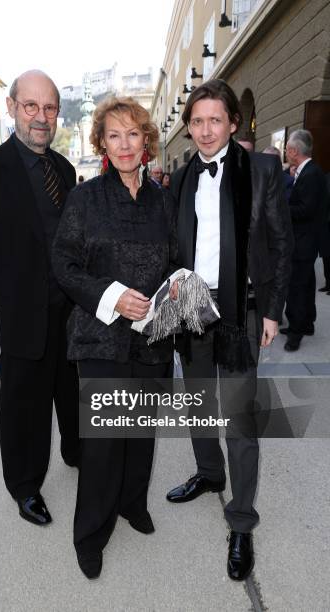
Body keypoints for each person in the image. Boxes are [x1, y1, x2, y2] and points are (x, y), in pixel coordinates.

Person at [166, 79, 293, 581]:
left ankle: (240, 520)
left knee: (239, 419)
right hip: (193, 308)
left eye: (214, 120)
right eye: (196, 121)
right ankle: (208, 473)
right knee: (198, 404)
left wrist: (272, 311)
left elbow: (281, 245)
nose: (204, 130)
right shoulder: (179, 177)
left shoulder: (261, 170)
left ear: (233, 123)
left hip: (241, 311)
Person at [52, 96, 177, 579]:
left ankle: (132, 504)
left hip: (151, 336)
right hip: (100, 335)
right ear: (101, 142)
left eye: (133, 134)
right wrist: (112, 296)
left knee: (141, 432)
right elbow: (64, 264)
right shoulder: (85, 199)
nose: (125, 145)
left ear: (146, 141)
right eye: (114, 135)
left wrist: (172, 293)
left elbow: (175, 260)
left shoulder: (163, 200)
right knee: (104, 441)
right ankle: (91, 533)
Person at [0, 70, 79, 526]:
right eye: (31, 106)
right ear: (11, 108)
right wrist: (0, 302)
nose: (41, 117)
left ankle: (76, 451)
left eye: (49, 107)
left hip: (70, 310)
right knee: (23, 403)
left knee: (70, 390)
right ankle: (25, 486)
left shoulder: (65, 170)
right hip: (22, 311)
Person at [281, 129, 329, 350]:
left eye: (287, 149)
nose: (286, 152)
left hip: (303, 241)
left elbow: (305, 209)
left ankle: (296, 331)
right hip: (306, 240)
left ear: (293, 150)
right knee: (307, 284)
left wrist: (281, 207)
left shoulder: (310, 174)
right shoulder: (310, 171)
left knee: (297, 287)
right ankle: (307, 323)